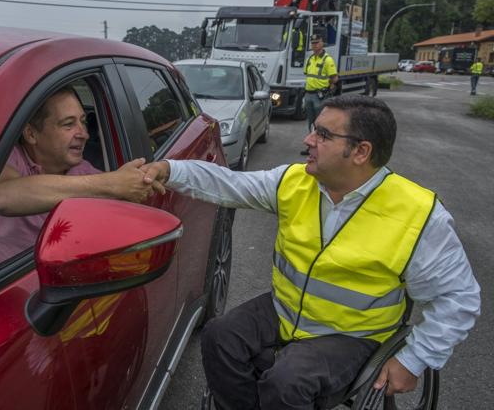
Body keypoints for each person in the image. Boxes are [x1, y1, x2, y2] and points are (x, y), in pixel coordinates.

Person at [142, 95, 480, 410]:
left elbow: (459, 298)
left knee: (287, 381)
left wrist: (413, 359)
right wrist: (168, 170)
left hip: (352, 335)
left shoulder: (418, 215)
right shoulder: (294, 182)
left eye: (323, 134)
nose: (307, 140)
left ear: (361, 152)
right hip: (285, 310)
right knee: (218, 336)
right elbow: (226, 183)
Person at [0, 86, 162, 268]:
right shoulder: (8, 157)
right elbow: (2, 196)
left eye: (83, 122)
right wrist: (112, 183)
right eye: (68, 124)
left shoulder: (87, 173)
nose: (84, 134)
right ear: (31, 134)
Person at [301, 34, 338, 156]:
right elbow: (307, 75)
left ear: (322, 43)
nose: (314, 45)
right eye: (313, 43)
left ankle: (321, 148)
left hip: (320, 95)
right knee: (311, 123)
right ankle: (311, 146)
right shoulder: (310, 59)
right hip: (309, 95)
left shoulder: (328, 60)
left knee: (321, 123)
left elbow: (334, 78)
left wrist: (327, 88)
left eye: (317, 43)